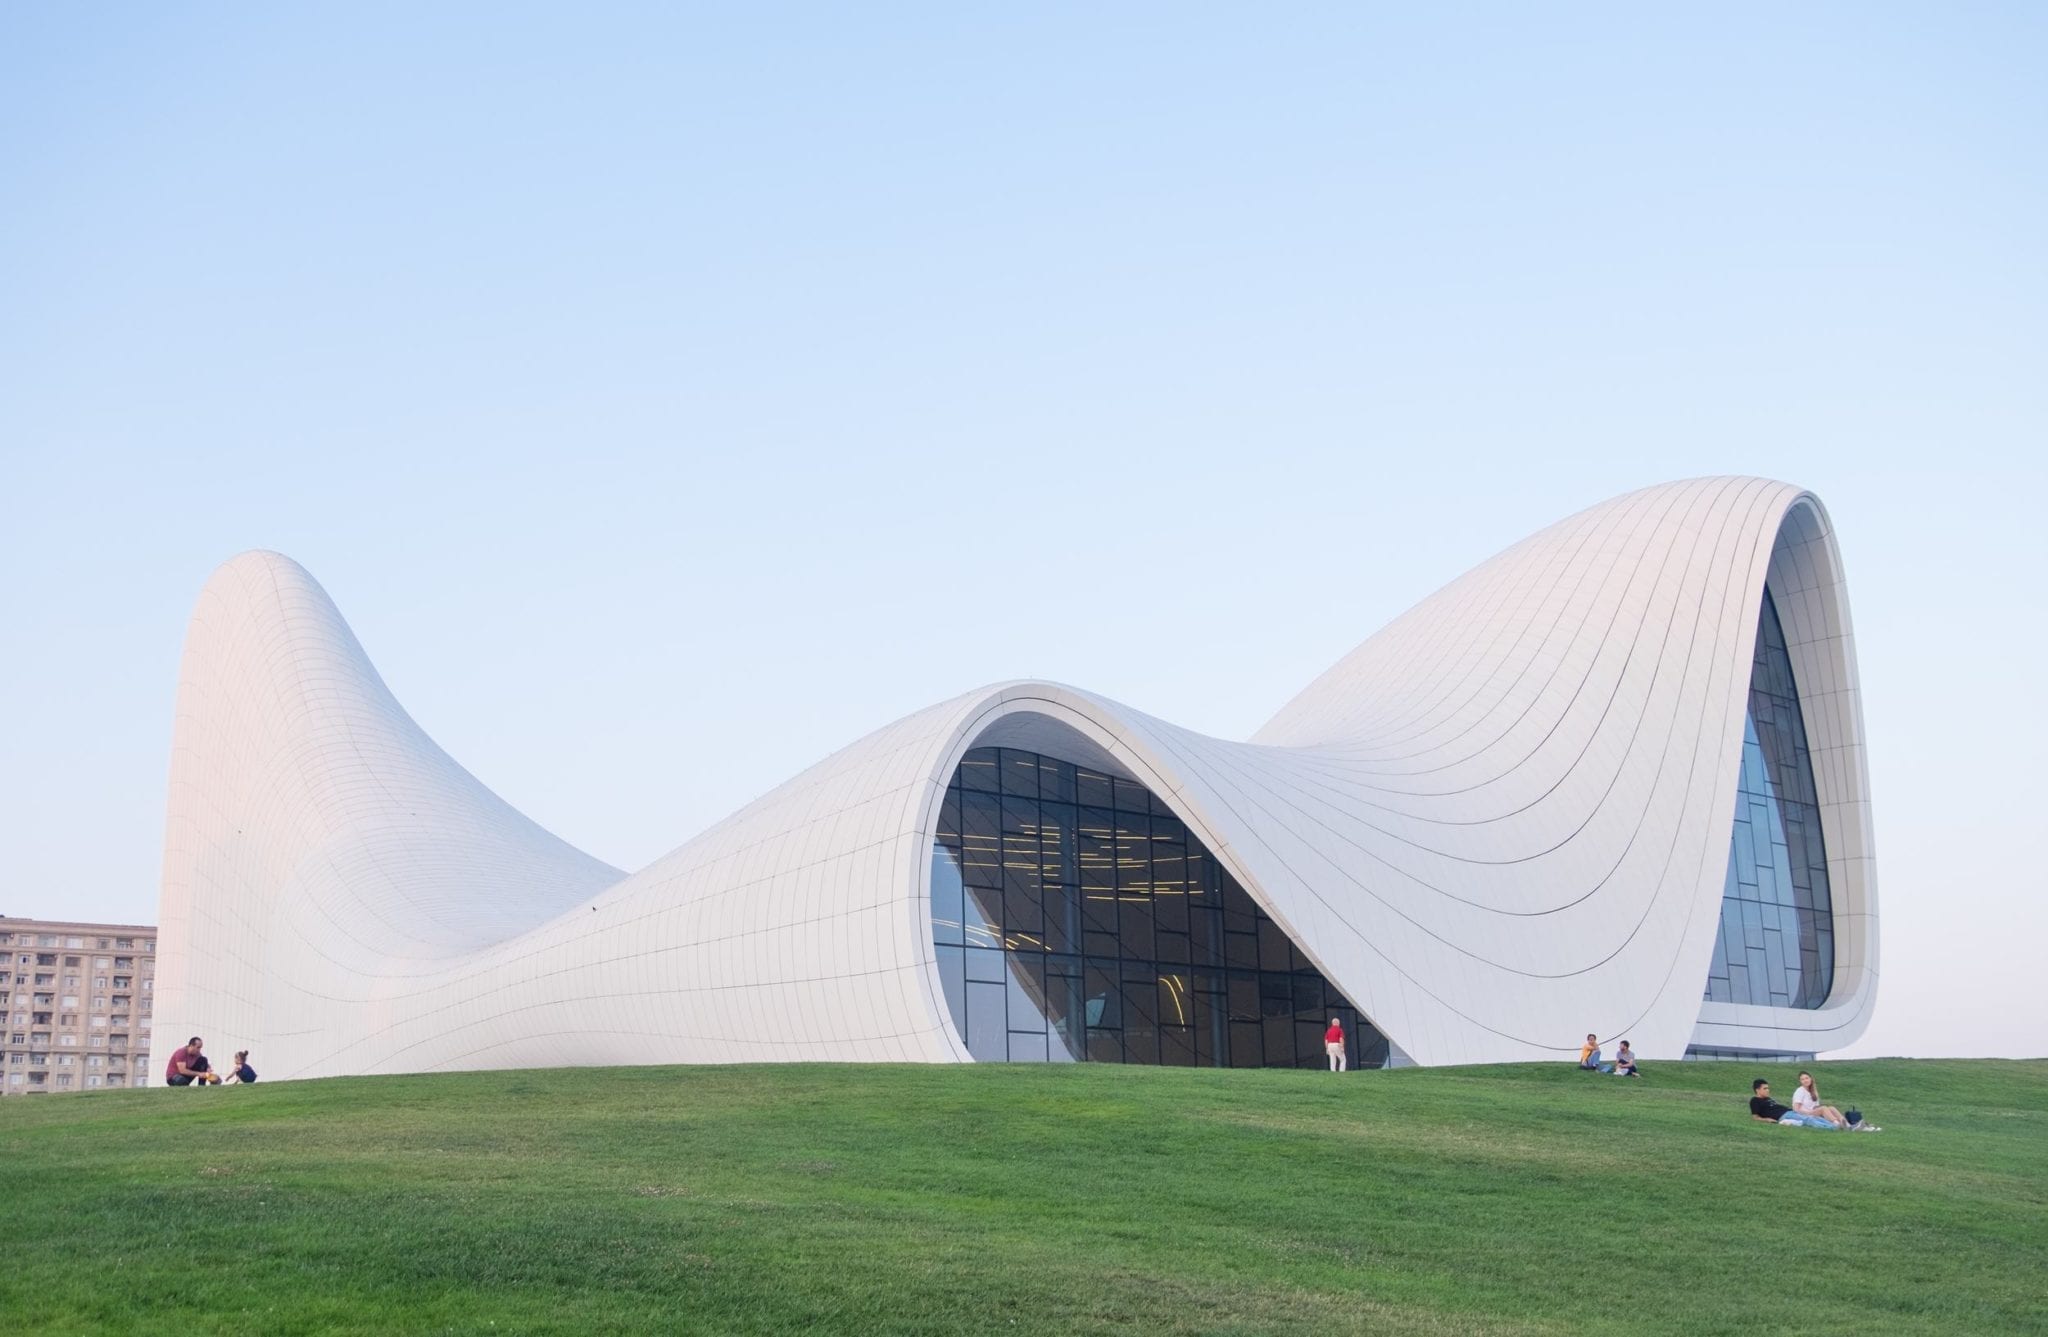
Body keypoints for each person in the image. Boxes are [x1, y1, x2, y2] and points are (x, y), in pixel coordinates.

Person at [1750, 1077, 1863, 1130]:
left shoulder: (1769, 1099)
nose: (1768, 1090)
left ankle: (1838, 1124)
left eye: (1768, 1088)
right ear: (1757, 1090)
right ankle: (1834, 1128)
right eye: (1765, 1088)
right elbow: (1755, 1117)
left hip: (1789, 1112)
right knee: (1808, 1120)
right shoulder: (1755, 1100)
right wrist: (1767, 1120)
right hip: (1783, 1115)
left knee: (1815, 1118)